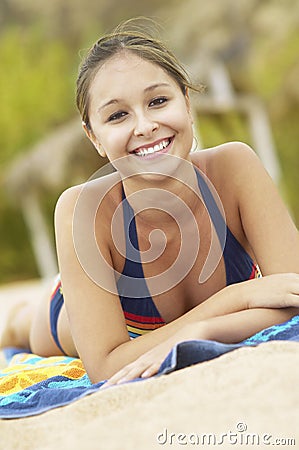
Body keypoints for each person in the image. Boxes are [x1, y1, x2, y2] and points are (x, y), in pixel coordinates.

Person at [2, 19, 299, 386]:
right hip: (98, 310)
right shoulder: (81, 210)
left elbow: (293, 295)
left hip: (149, 327)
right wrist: (239, 298)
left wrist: (198, 332)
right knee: (31, 331)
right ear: (94, 137)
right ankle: (15, 318)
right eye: (117, 115)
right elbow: (107, 367)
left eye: (158, 101)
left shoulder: (235, 168)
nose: (144, 126)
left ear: (187, 104)